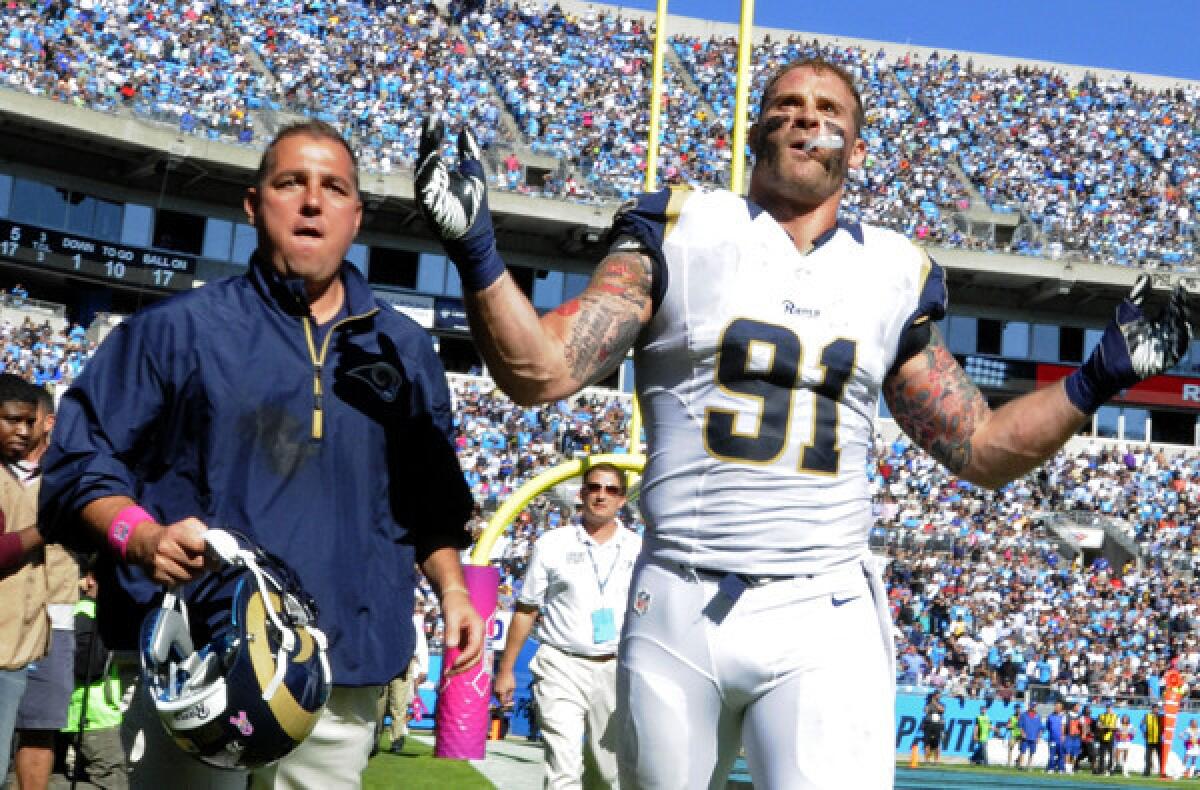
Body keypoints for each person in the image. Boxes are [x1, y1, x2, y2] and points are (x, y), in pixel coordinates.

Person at [415, 56, 1193, 789]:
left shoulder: (892, 271)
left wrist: (1097, 379)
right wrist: (478, 250)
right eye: (785, 105)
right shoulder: (681, 231)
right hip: (681, 594)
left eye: (826, 110)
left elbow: (981, 449)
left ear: (854, 147)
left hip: (824, 608)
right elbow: (543, 371)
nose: (804, 117)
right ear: (756, 131)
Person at [37, 120, 485, 789]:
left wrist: (452, 588)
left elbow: (431, 503)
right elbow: (78, 462)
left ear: (356, 216)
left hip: (340, 666)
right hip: (198, 656)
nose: (312, 202)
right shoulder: (173, 331)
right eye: (290, 183)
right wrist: (140, 536)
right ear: (252, 205)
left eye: (333, 188)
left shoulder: (405, 352)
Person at [494, 463, 641, 789]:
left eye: (611, 490)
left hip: (615, 668)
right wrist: (506, 670)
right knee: (563, 767)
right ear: (582, 493)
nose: (602, 495)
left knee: (606, 773)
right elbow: (526, 609)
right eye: (595, 487)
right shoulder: (552, 543)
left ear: (621, 500)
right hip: (560, 663)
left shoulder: (638, 548)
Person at [13, 386, 79, 790]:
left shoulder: (72, 474)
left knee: (40, 725)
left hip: (55, 610)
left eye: (26, 419)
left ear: (48, 422)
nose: (18, 429)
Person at [0, 374, 49, 780]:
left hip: (12, 650)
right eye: (11, 420)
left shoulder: (15, 477)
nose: (22, 430)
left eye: (28, 421)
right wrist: (46, 528)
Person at [58, 561, 129, 789]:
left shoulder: (87, 613)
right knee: (112, 780)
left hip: (88, 715)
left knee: (83, 776)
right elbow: (87, 666)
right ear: (90, 580)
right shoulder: (86, 614)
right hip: (91, 717)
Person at [382, 597, 430, 755]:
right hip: (383, 661)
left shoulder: (415, 620)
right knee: (380, 703)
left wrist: (423, 667)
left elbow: (421, 644)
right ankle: (374, 738)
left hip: (403, 661)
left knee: (399, 703)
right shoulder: (387, 616)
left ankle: (397, 738)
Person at [920, 692, 945, 765]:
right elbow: (925, 711)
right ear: (934, 696)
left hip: (937, 724)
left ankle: (936, 760)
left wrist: (935, 703)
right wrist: (929, 703)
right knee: (927, 743)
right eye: (938, 695)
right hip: (928, 724)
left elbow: (942, 710)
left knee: (936, 743)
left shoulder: (941, 704)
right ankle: (927, 759)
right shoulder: (928, 704)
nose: (939, 696)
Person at [1016, 706, 1043, 770]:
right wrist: (1022, 733)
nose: (1034, 708)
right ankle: (1021, 765)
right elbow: (1020, 725)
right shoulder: (1024, 715)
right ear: (1030, 707)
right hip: (1025, 737)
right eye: (1033, 706)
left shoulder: (1038, 716)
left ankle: (1029, 765)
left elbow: (1040, 728)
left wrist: (1039, 737)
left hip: (1034, 737)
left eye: (1035, 706)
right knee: (1023, 751)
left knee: (1032, 752)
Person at [1095, 702, 1118, 775]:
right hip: (1102, 737)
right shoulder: (1101, 715)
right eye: (1107, 707)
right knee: (1101, 754)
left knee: (1111, 754)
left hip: (1111, 737)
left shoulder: (1115, 716)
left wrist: (1108, 727)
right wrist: (1106, 727)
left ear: (1112, 708)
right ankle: (1101, 770)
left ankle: (1110, 770)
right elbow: (1098, 725)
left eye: (1110, 707)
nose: (1109, 709)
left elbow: (1117, 727)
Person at [1144, 703, 1165, 777]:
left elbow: (1165, 725)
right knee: (1147, 756)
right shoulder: (1147, 716)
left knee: (1161, 756)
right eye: (1154, 708)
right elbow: (1142, 725)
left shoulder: (1161, 716)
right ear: (1152, 709)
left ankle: (1162, 772)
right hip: (1149, 739)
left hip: (1158, 739)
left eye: (1157, 708)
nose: (1155, 709)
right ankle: (1147, 772)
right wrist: (1144, 732)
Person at [1044, 701, 1065, 773]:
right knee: (1052, 754)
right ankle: (1051, 768)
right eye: (1056, 706)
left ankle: (1060, 769)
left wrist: (1063, 736)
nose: (1057, 708)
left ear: (1061, 708)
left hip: (1061, 739)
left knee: (1061, 754)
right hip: (1052, 739)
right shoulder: (1050, 716)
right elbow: (1048, 727)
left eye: (1059, 707)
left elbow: (1065, 727)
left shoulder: (1063, 717)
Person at [1116, 713, 1134, 777]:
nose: (1125, 719)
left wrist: (1128, 737)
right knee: (1116, 756)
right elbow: (1116, 733)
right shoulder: (1119, 725)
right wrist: (1120, 737)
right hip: (1120, 742)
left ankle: (1125, 771)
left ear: (1128, 719)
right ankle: (1113, 768)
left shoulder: (1130, 725)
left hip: (1127, 742)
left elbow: (1132, 734)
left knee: (1125, 757)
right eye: (1124, 718)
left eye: (1126, 718)